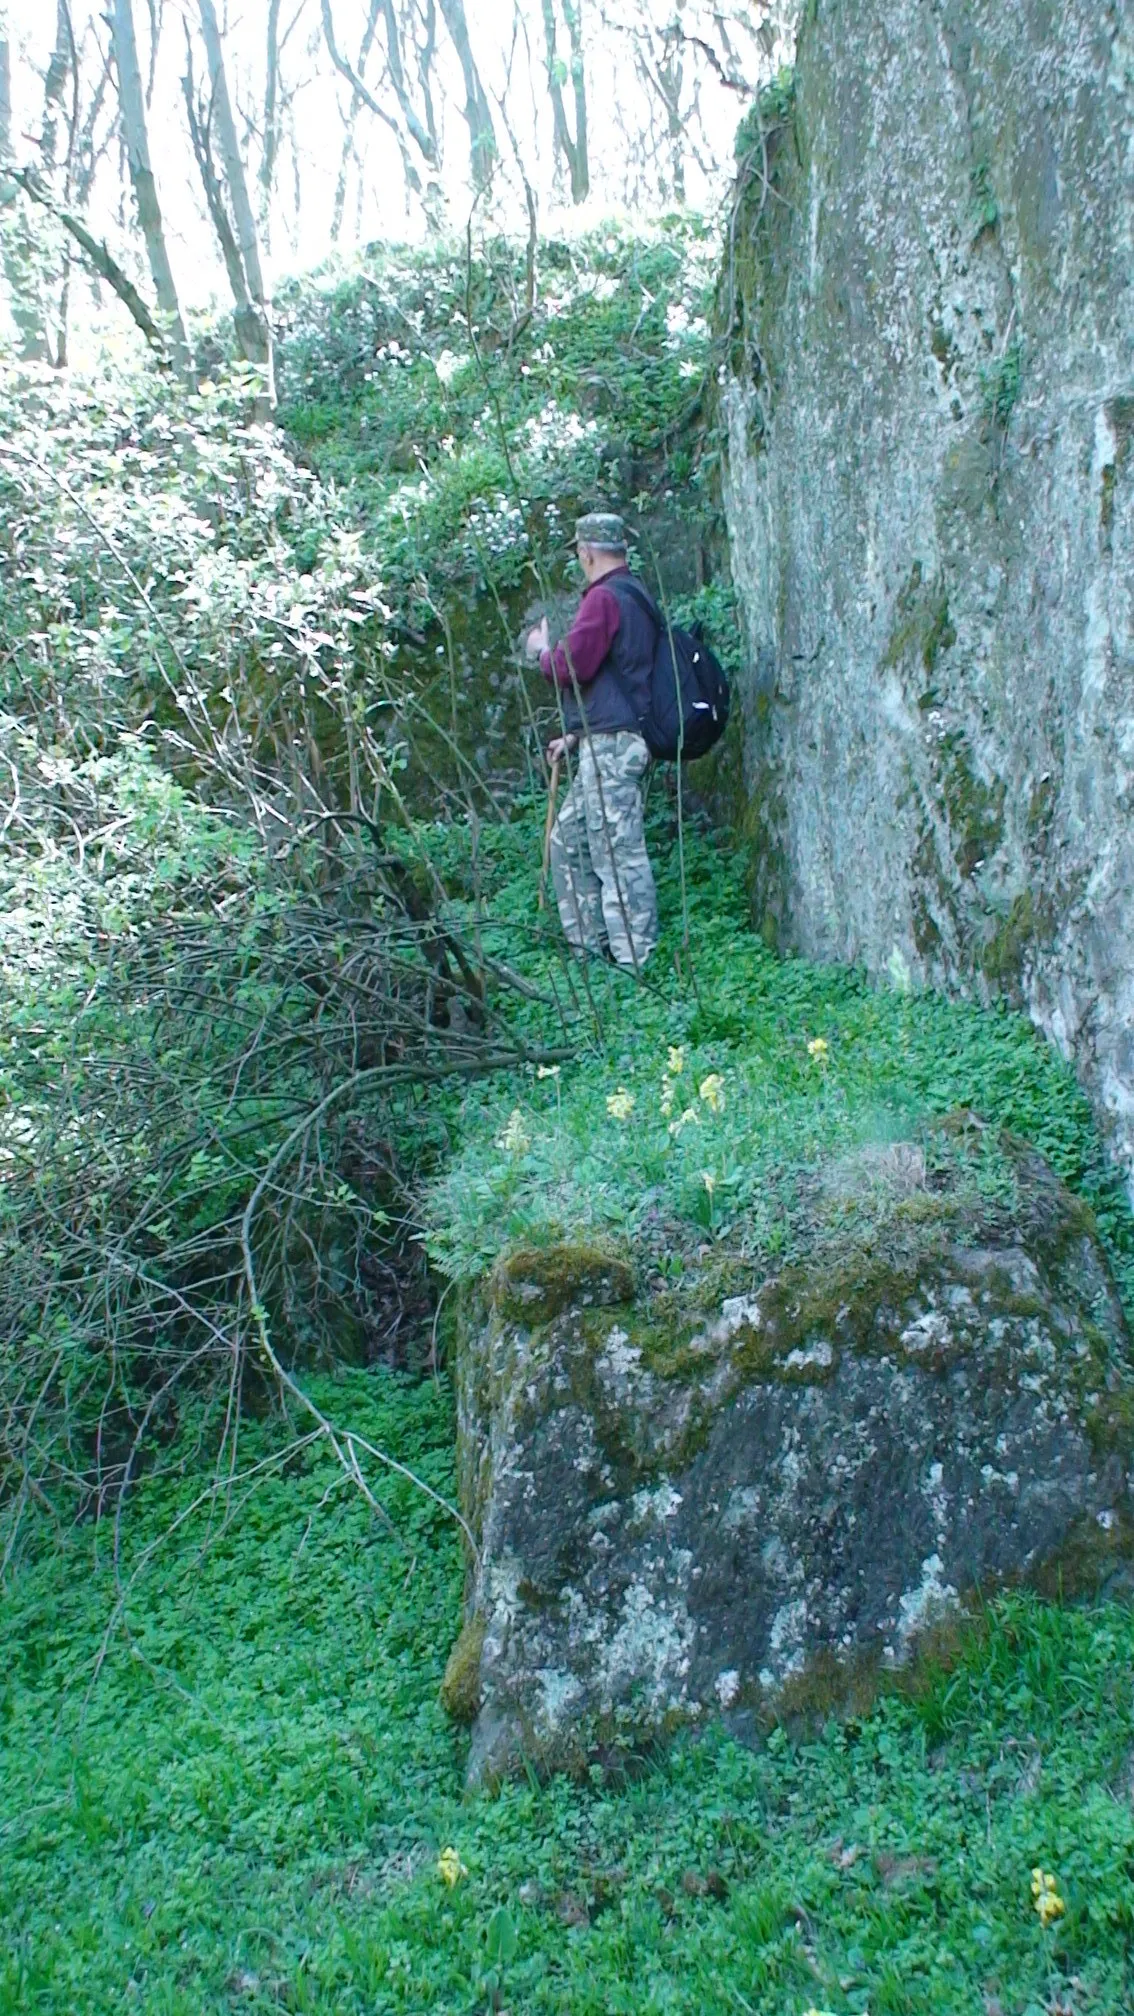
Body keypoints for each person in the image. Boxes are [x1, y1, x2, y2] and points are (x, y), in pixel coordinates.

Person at [525, 512, 659, 971]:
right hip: (605, 743)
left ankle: (634, 962)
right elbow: (621, 678)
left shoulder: (605, 599)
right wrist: (577, 735)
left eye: (580, 553)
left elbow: (572, 666)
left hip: (613, 750)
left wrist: (542, 653)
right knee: (569, 840)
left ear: (587, 552)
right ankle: (593, 952)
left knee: (617, 851)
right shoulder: (635, 594)